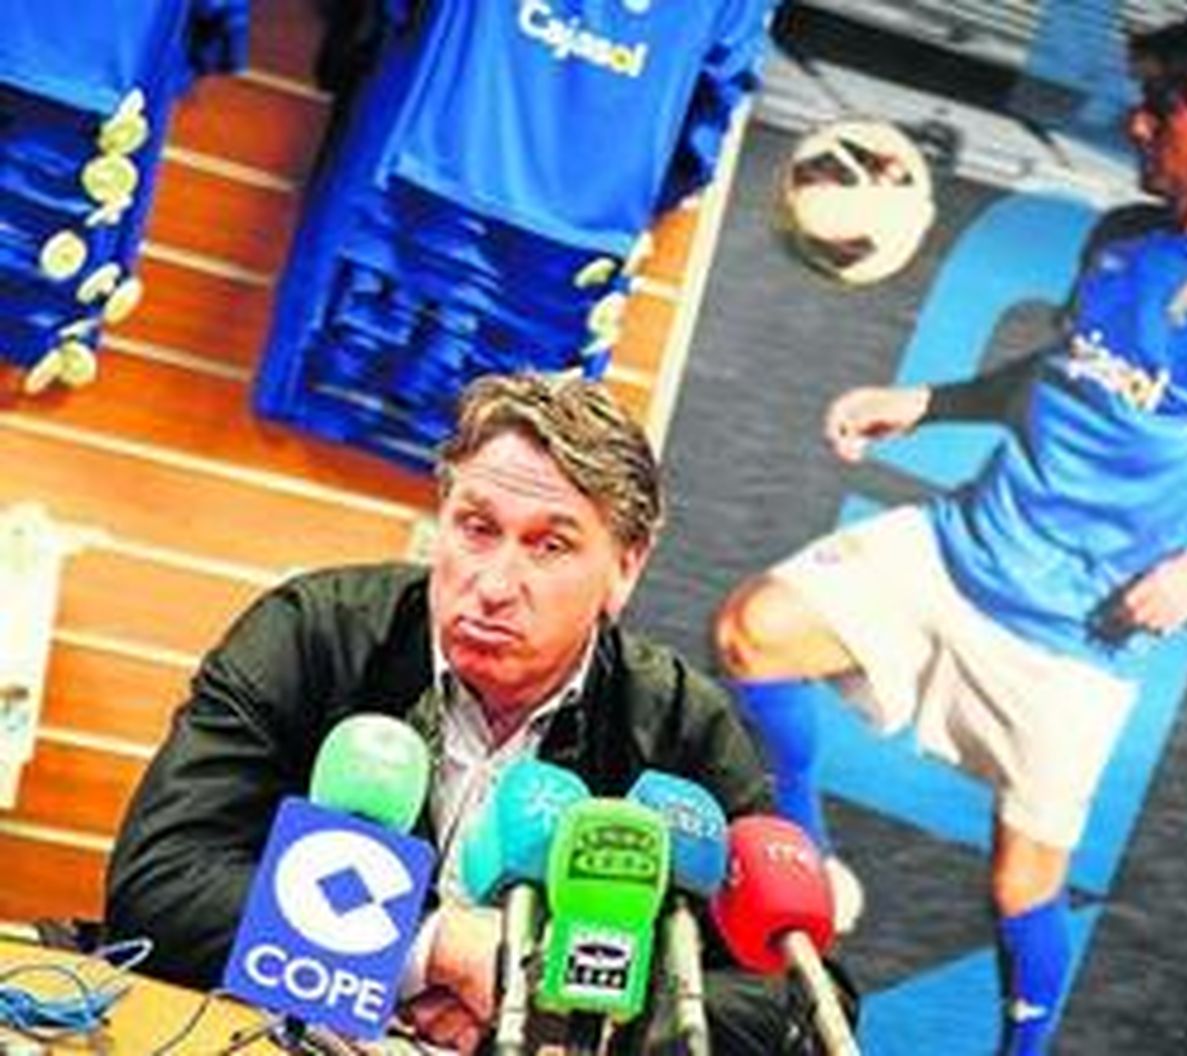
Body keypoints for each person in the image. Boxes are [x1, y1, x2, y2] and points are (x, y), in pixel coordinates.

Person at [714, 16, 1187, 1056]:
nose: (1139, 124)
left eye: (1162, 109)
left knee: (1023, 884)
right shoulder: (1121, 238)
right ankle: (810, 877)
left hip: (1074, 638)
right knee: (756, 630)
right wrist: (925, 403)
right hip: (961, 546)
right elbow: (1058, 376)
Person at [106, 372, 850, 1054]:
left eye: (549, 545)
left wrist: (555, 995)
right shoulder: (315, 635)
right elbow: (160, 883)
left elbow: (804, 1005)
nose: (494, 584)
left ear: (626, 566)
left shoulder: (680, 727)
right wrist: (430, 948)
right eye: (477, 527)